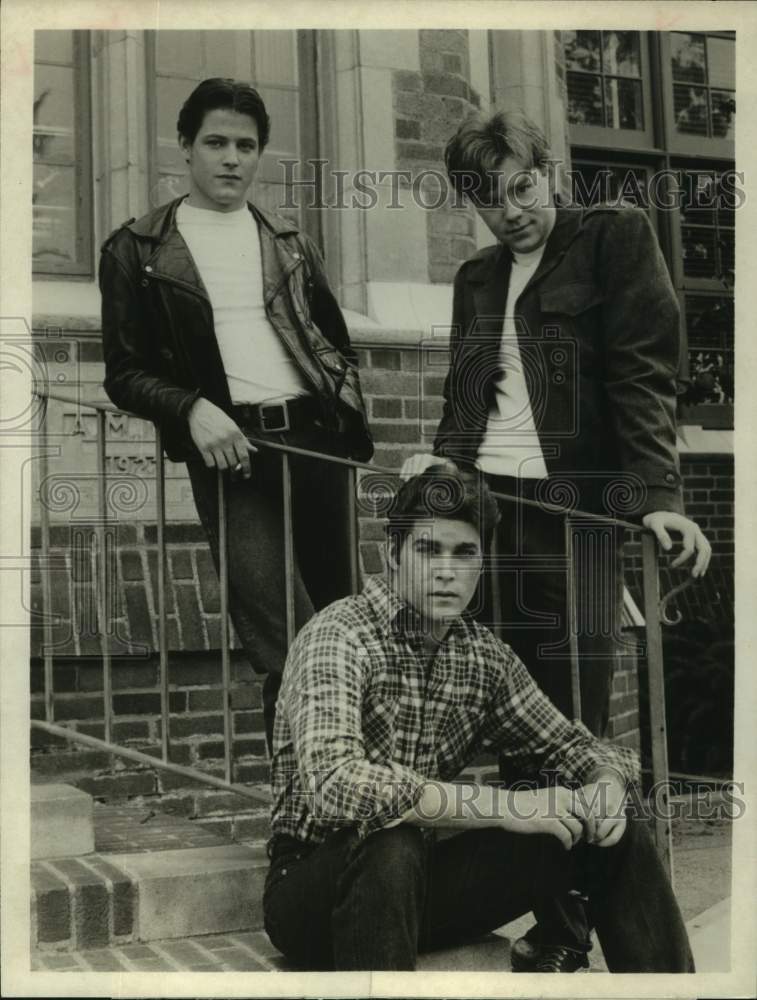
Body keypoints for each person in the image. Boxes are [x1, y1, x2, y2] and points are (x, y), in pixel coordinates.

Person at [400, 110, 710, 968]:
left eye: (522, 187)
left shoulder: (610, 237)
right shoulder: (475, 278)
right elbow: (464, 408)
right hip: (488, 512)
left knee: (571, 726)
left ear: (549, 171)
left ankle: (638, 953)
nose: (512, 211)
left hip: (574, 515)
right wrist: (440, 495)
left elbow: (644, 371)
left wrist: (654, 496)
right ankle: (558, 929)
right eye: (490, 199)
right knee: (508, 726)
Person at [263, 465, 695, 973]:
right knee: (390, 835)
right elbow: (334, 782)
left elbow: (575, 748)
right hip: (313, 887)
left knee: (611, 814)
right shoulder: (338, 635)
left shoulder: (483, 657)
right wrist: (503, 806)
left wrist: (603, 784)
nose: (447, 570)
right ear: (392, 555)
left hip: (424, 888)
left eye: (465, 553)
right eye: (429, 550)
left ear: (482, 564)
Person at [100, 79, 372, 749]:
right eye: (216, 142)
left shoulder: (288, 240)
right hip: (231, 452)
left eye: (246, 146)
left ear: (260, 156)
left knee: (340, 624)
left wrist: (343, 419)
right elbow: (125, 374)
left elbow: (331, 343)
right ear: (184, 147)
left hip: (314, 445)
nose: (231, 159)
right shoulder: (135, 250)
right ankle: (303, 810)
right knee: (280, 631)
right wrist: (191, 409)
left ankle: (341, 804)